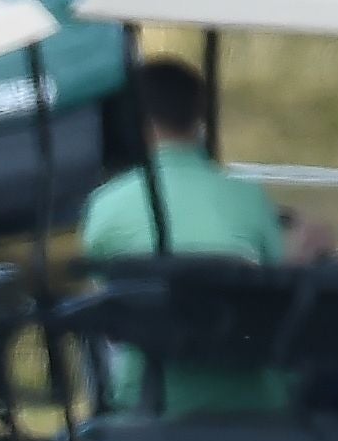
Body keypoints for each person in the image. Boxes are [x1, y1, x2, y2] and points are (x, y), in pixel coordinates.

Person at [78, 56, 327, 414]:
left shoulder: (106, 205)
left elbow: (103, 297)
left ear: (132, 120)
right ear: (200, 114)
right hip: (252, 403)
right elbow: (277, 287)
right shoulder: (249, 199)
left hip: (147, 401)